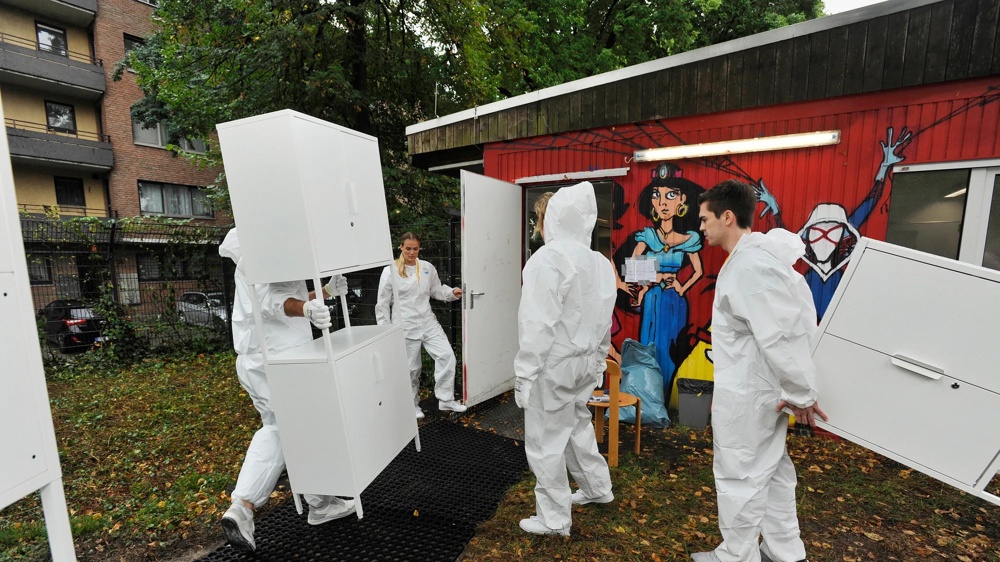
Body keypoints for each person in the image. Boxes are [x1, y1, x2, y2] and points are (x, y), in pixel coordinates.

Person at [691, 180, 828, 562]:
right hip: (761, 390)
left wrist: (802, 393)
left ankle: (736, 555)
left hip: (752, 395)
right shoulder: (754, 261)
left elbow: (781, 335)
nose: (701, 227)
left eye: (705, 218)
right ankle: (785, 550)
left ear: (727, 217)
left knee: (740, 473)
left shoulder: (750, 266)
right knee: (773, 471)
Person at [218, 228, 356, 552]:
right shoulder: (263, 249)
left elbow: (282, 296)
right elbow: (272, 302)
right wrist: (307, 309)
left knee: (302, 429)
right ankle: (243, 507)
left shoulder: (269, 244)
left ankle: (320, 504)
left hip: (267, 359)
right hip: (274, 361)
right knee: (283, 430)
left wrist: (323, 291)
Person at [514, 181, 617, 537]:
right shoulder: (600, 263)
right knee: (576, 423)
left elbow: (537, 322)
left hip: (554, 363)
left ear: (551, 219)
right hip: (586, 361)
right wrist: (601, 360)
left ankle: (553, 519)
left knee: (545, 438)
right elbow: (606, 319)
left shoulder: (548, 258)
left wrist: (525, 373)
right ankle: (597, 488)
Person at [375, 232, 467, 419]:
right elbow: (383, 303)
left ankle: (445, 399)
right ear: (400, 247)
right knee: (411, 369)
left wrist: (451, 293)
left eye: (415, 248)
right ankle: (412, 404)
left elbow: (436, 289)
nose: (411, 252)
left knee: (447, 356)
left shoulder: (426, 267)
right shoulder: (390, 270)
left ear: (419, 248)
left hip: (428, 321)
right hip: (405, 326)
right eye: (408, 248)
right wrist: (385, 330)